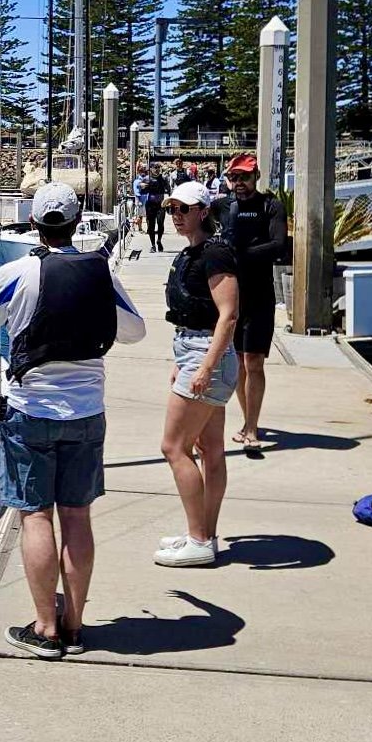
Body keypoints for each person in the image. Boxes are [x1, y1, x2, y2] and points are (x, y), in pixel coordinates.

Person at [0, 181, 146, 657]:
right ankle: (75, 626)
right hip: (86, 412)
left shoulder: (15, 274)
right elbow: (135, 332)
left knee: (36, 516)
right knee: (77, 517)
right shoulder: (100, 275)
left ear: (33, 223)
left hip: (30, 411)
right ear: (78, 224)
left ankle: (44, 629)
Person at [155, 180, 239, 567]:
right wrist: (182, 359)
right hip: (195, 350)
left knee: (174, 447)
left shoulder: (215, 253)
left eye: (183, 209)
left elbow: (229, 315)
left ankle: (199, 539)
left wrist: (204, 366)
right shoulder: (193, 253)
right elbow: (198, 314)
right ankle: (204, 532)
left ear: (203, 211)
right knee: (210, 449)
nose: (176, 215)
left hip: (208, 356)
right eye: (172, 209)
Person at [211, 152, 289, 457]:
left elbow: (279, 246)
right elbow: (196, 222)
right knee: (239, 363)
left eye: (244, 177)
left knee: (254, 361)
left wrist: (240, 255)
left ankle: (252, 428)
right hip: (229, 295)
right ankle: (246, 422)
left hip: (259, 295)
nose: (239, 183)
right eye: (234, 177)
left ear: (256, 177)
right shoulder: (222, 206)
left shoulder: (271, 206)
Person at [143, 164, 168, 251]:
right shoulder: (147, 178)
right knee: (151, 226)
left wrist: (170, 201)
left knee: (160, 223)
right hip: (150, 204)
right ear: (151, 169)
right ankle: (153, 245)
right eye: (155, 168)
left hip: (161, 204)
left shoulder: (164, 178)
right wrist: (143, 187)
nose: (157, 169)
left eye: (158, 167)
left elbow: (169, 190)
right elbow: (142, 191)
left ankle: (159, 240)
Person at [131, 162, 150, 232]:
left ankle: (149, 229)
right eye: (142, 171)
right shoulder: (137, 180)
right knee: (139, 216)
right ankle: (139, 228)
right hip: (140, 200)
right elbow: (138, 190)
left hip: (147, 198)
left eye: (144, 171)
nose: (144, 172)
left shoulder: (148, 178)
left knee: (148, 215)